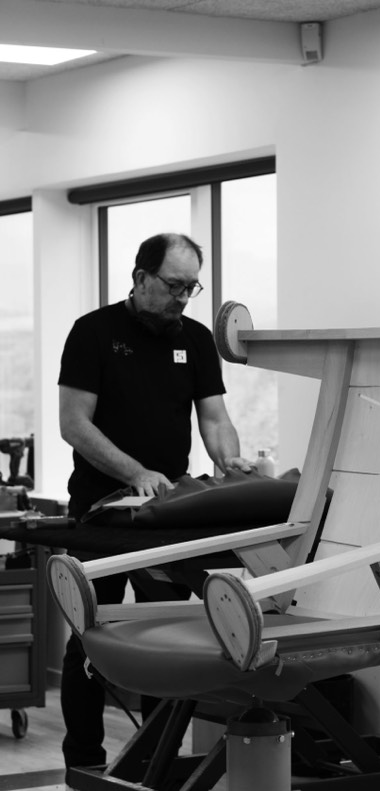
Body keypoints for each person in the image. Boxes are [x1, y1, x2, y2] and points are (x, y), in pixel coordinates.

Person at [57, 232, 251, 775]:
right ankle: (83, 766)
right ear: (141, 277)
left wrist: (230, 462)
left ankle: (153, 765)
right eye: (173, 286)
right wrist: (135, 472)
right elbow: (74, 424)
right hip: (100, 513)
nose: (182, 299)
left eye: (191, 288)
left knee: (164, 638)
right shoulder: (93, 333)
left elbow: (215, 419)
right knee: (89, 638)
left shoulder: (195, 338)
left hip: (166, 511)